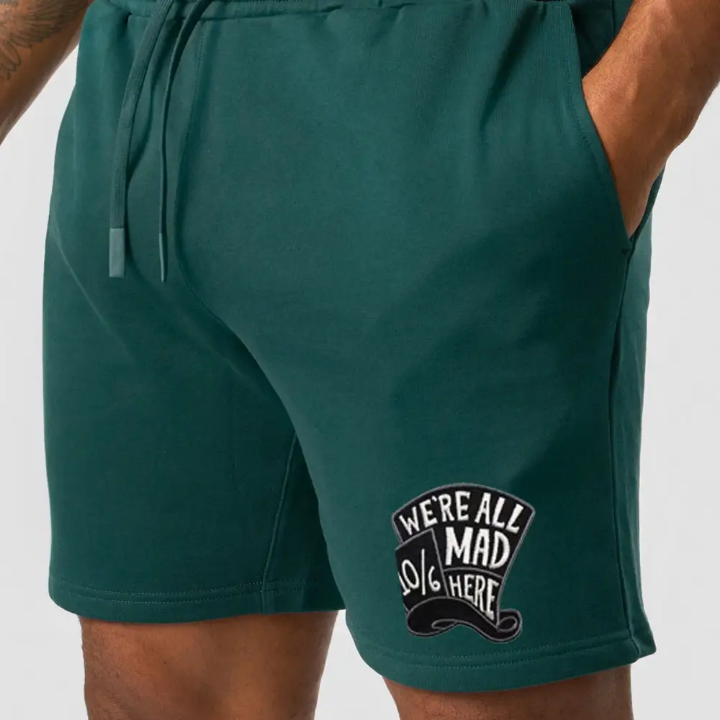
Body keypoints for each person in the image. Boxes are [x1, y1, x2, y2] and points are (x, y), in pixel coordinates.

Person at [0, 0, 716, 717]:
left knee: (490, 685)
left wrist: (640, 105)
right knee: (153, 698)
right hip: (141, 133)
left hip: (447, 99)